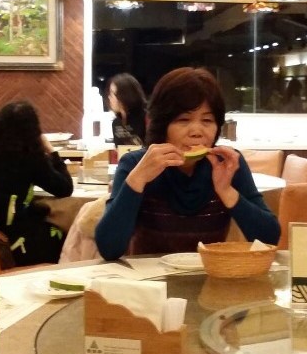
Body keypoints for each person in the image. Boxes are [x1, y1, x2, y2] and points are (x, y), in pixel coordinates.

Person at [95, 67, 280, 260]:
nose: (197, 131)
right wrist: (137, 179)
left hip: (210, 274)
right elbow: (109, 248)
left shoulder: (227, 164)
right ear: (162, 124)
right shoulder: (135, 164)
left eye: (207, 120)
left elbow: (269, 239)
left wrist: (227, 191)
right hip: (150, 277)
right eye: (183, 120)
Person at [0, 100, 74, 266]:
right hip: (17, 236)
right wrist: (52, 152)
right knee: (63, 233)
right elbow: (64, 188)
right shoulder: (29, 158)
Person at [108, 73, 146, 146]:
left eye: (112, 93)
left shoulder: (146, 120)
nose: (109, 97)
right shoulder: (116, 123)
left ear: (124, 95)